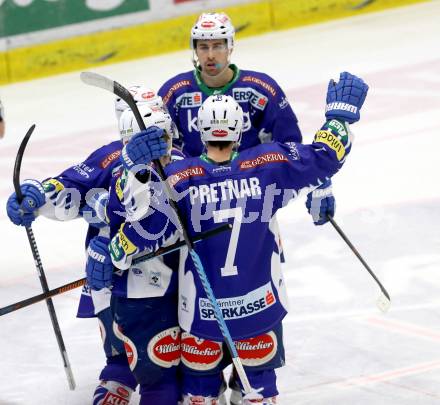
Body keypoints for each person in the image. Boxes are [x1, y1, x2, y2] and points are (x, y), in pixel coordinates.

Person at [103, 71, 368, 404]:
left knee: (199, 393)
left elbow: (141, 232)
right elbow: (326, 156)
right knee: (258, 389)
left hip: (202, 316)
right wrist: (339, 118)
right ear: (241, 129)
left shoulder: (178, 178)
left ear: (197, 131)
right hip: (260, 308)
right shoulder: (268, 164)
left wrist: (117, 245)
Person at [5, 86, 167, 405]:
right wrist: (38, 196)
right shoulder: (109, 156)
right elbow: (72, 186)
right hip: (119, 268)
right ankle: (119, 369)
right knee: (106, 284)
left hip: (169, 266)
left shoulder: (181, 157)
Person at [158, 12, 335, 228]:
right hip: (196, 198)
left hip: (252, 194)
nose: (210, 55)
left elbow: (289, 143)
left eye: (218, 46)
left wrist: (317, 180)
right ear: (194, 48)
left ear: (230, 46)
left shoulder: (260, 89)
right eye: (203, 47)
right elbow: (163, 149)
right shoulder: (174, 93)